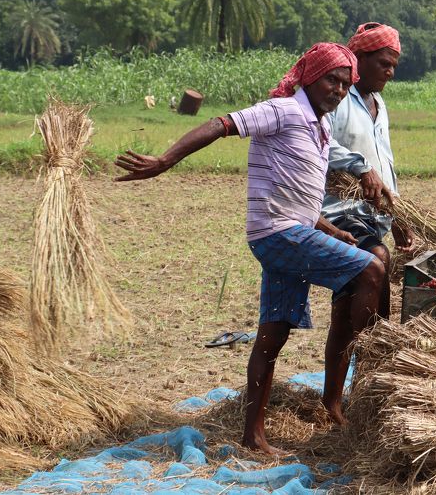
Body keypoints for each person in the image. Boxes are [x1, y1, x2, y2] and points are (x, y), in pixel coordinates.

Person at [113, 43, 385, 455]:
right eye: (332, 79)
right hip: (278, 234)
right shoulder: (283, 110)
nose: (338, 90)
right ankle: (379, 357)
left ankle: (252, 437)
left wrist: (330, 229)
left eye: (346, 85)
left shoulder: (320, 126)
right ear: (310, 77)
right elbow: (221, 123)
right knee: (371, 270)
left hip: (289, 231)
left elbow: (295, 195)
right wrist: (165, 161)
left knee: (272, 336)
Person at [323, 22, 415, 323]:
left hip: (372, 215)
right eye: (384, 64)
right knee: (378, 258)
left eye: (394, 66)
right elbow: (320, 142)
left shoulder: (378, 103)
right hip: (338, 211)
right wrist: (360, 167)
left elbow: (385, 162)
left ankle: (367, 342)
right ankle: (380, 340)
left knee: (349, 300)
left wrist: (397, 213)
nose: (390, 72)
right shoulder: (337, 97)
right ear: (359, 58)